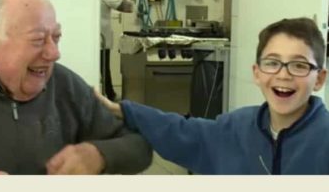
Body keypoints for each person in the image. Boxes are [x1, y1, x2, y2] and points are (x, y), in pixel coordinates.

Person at [0, 0, 152, 175]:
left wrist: (100, 154)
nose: (54, 53)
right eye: (38, 39)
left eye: (56, 37)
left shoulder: (66, 85)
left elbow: (139, 146)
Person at [96, 17, 329, 174]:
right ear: (257, 73)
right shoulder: (234, 128)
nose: (283, 74)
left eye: (299, 66)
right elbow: (180, 131)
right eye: (272, 63)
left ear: (319, 78)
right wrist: (123, 110)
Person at [100, 0, 133, 101]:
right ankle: (110, 96)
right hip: (101, 40)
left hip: (95, 39)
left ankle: (107, 95)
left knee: (102, 69)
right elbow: (127, 8)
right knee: (104, 69)